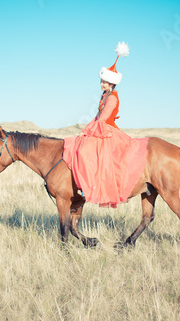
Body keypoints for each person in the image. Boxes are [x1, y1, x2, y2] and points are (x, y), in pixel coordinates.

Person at [63, 42, 149, 208]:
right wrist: (85, 130)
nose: (102, 84)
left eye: (105, 82)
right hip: (101, 127)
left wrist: (90, 133)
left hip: (108, 131)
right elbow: (96, 117)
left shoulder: (113, 98)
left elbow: (103, 119)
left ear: (112, 84)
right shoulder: (104, 96)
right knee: (81, 145)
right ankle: (84, 184)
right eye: (102, 81)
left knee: (89, 151)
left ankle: (93, 186)